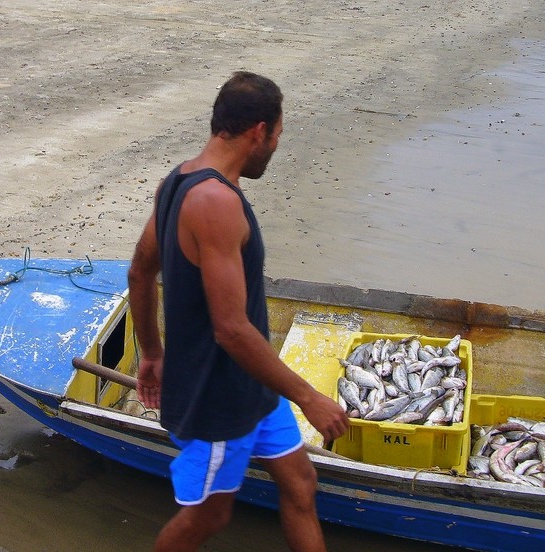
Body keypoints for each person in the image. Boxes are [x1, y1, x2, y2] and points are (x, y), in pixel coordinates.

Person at [127, 71, 349, 552]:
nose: (275, 147)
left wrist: (152, 352)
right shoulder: (215, 202)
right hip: (218, 399)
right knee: (207, 516)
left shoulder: (178, 180)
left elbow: (140, 273)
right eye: (278, 136)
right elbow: (230, 330)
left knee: (300, 484)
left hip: (253, 388)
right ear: (259, 132)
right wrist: (310, 396)